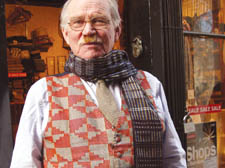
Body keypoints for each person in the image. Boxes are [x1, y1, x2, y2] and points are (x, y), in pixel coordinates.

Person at [10, 0, 187, 167]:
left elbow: (173, 159)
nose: (88, 31)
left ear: (117, 30)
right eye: (77, 22)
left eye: (99, 21)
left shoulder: (149, 84)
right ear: (65, 33)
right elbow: (25, 163)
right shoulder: (43, 92)